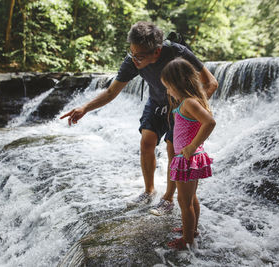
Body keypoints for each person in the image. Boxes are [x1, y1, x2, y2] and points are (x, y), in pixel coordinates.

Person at [60, 21, 218, 215]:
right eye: (131, 53)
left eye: (139, 56)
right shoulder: (132, 61)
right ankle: (148, 191)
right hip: (156, 102)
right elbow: (111, 93)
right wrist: (85, 108)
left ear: (157, 52)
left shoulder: (178, 52)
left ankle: (167, 199)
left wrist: (190, 110)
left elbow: (211, 82)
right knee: (146, 142)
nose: (134, 59)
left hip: (179, 107)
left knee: (172, 149)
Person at [160, 57, 216, 249]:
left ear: (178, 84)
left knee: (184, 202)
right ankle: (191, 229)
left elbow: (210, 122)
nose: (167, 91)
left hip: (187, 158)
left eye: (168, 87)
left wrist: (191, 147)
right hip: (189, 157)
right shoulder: (189, 101)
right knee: (191, 199)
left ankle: (187, 240)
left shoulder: (189, 103)